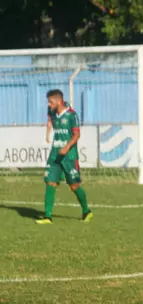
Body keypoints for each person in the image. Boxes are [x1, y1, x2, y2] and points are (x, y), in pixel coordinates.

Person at [36, 90, 92, 224]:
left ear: (59, 101)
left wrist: (67, 147)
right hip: (55, 153)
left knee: (74, 186)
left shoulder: (72, 115)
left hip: (69, 156)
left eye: (51, 102)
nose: (49, 105)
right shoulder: (52, 112)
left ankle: (86, 211)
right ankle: (47, 216)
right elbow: (50, 120)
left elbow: (76, 135)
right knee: (50, 182)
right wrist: (47, 134)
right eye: (48, 102)